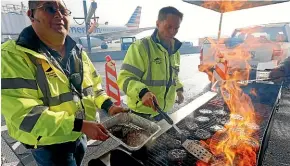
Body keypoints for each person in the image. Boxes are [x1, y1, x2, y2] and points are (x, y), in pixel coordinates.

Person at [1, 1, 128, 165]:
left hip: (78, 135)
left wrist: (109, 106)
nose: (59, 14)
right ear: (31, 15)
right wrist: (79, 125)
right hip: (49, 145)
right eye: (50, 8)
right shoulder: (13, 57)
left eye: (62, 10)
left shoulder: (77, 51)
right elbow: (25, 115)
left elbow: (94, 88)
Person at [117, 6, 184, 121]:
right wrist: (142, 92)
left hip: (163, 112)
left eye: (176, 28)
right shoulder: (141, 47)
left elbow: (174, 76)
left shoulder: (175, 51)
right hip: (142, 114)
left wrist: (179, 90)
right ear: (158, 24)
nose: (173, 32)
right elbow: (125, 78)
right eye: (169, 27)